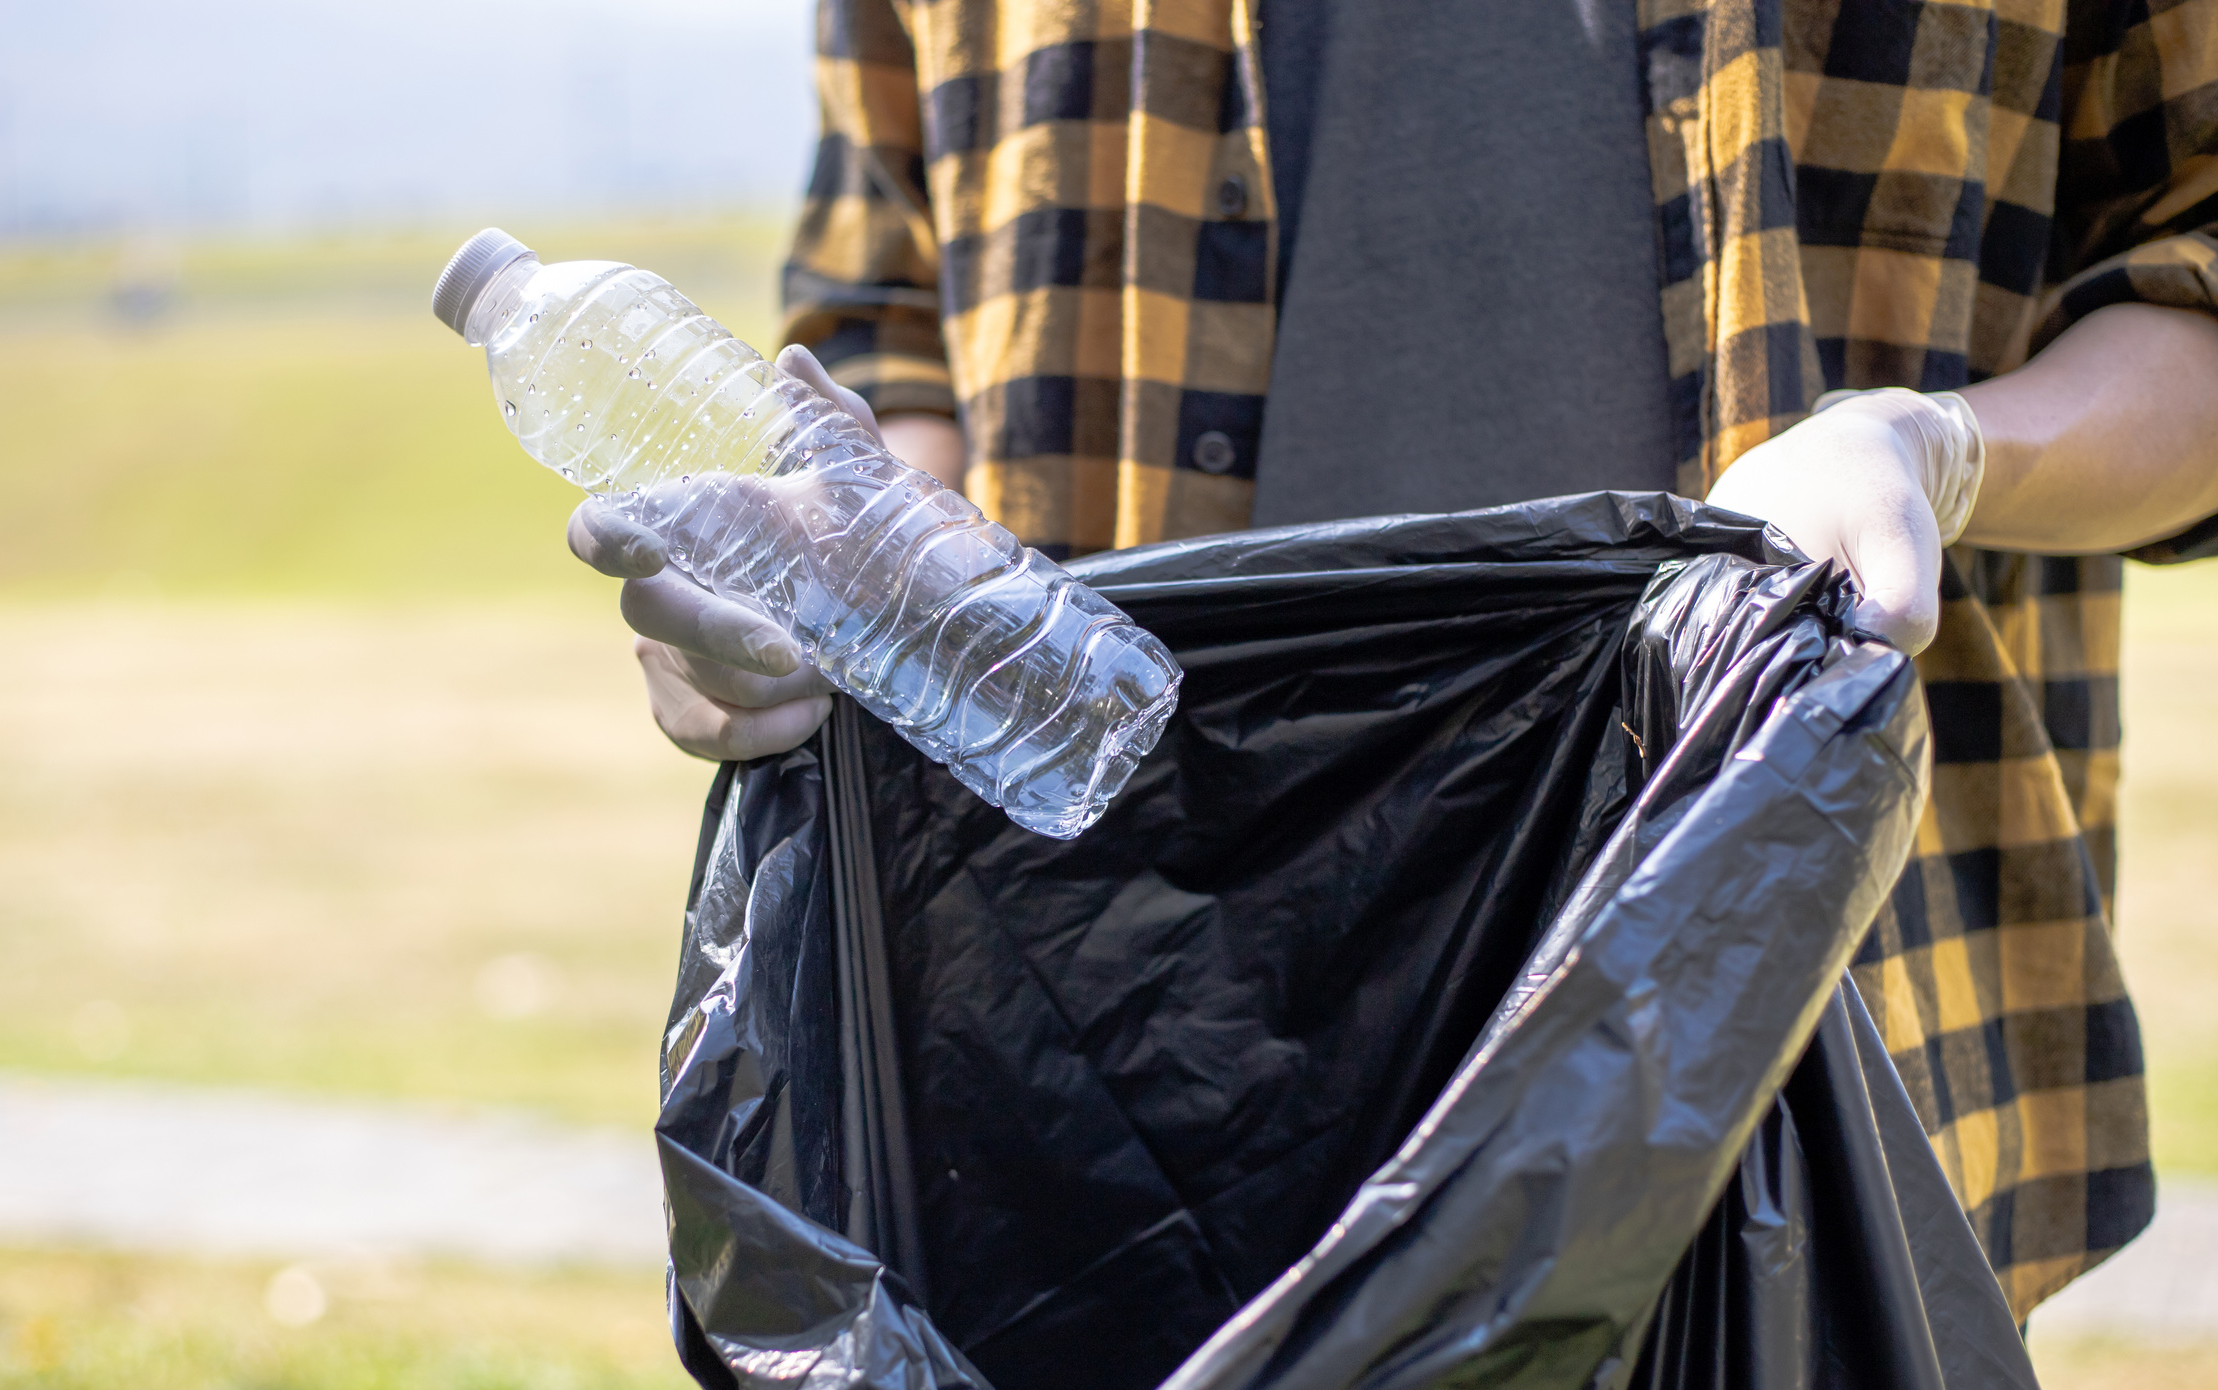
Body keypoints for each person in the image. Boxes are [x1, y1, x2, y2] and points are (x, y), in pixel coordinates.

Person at [571, 0, 2218, 1323]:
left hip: (1777, 1008)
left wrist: (1941, 449)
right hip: (1105, 1045)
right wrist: (839, 596)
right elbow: (889, 313)